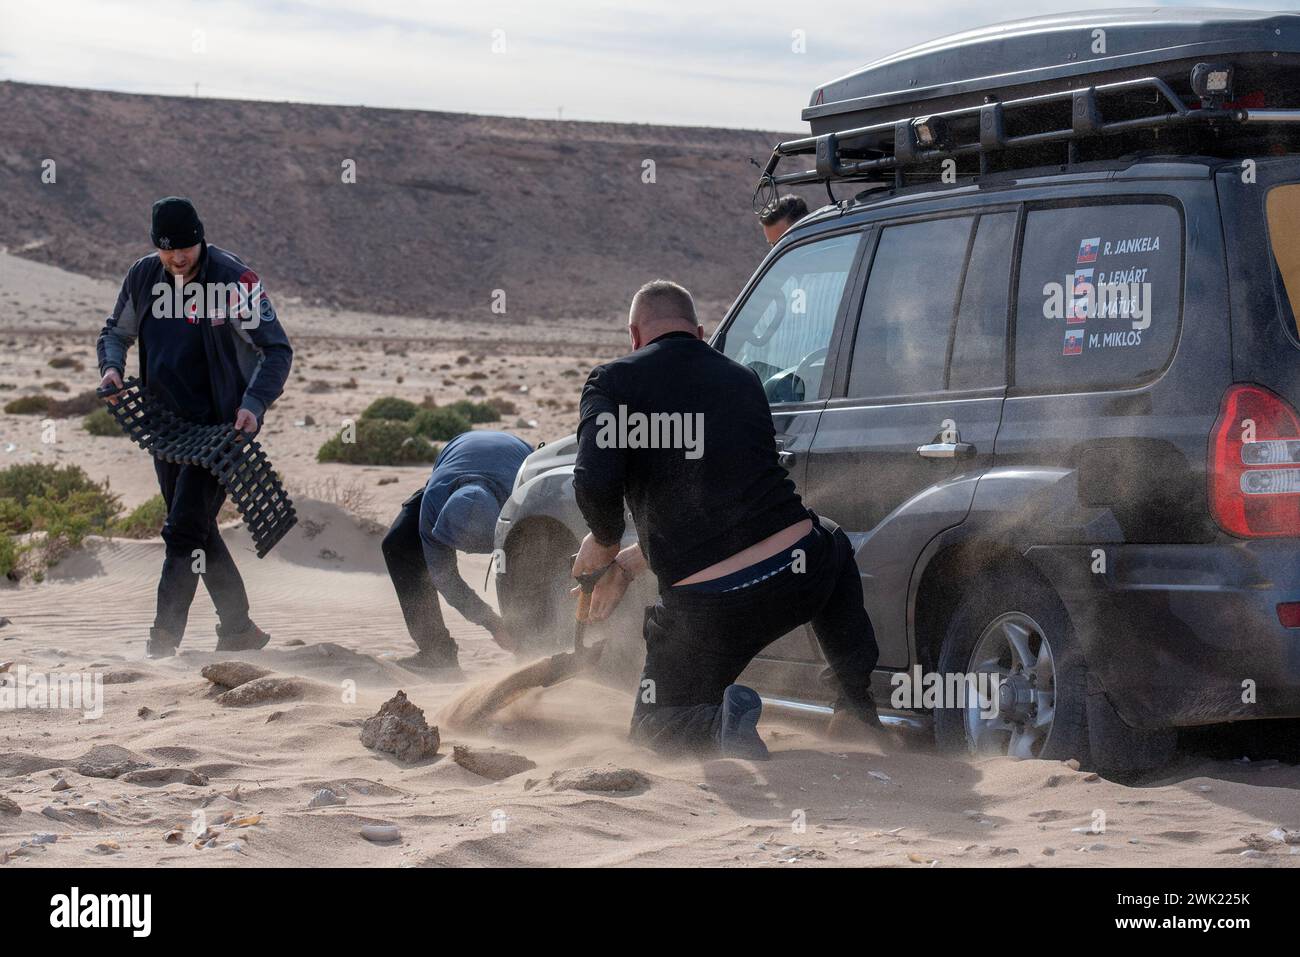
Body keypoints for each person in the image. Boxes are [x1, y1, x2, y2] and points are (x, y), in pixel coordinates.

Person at [570, 279, 882, 759]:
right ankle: (854, 708)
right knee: (835, 543)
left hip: (712, 611)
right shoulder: (742, 378)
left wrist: (605, 539)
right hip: (801, 573)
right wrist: (630, 565)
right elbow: (726, 509)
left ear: (634, 335)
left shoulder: (612, 381)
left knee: (655, 732)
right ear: (699, 332)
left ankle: (718, 722)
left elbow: (594, 477)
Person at [96, 197, 293, 658]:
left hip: (221, 431)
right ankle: (240, 630)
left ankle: (161, 649)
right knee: (198, 529)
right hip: (164, 428)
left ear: (201, 238)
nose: (178, 258)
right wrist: (111, 368)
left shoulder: (234, 279)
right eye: (168, 250)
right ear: (156, 247)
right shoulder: (143, 275)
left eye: (187, 247)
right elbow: (115, 332)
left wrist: (254, 404)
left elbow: (277, 350)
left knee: (182, 530)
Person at [381, 429, 532, 669]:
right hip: (455, 457)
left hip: (518, 459)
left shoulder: (522, 499)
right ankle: (437, 654)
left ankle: (536, 647)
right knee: (398, 545)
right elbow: (445, 579)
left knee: (529, 565)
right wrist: (492, 623)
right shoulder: (434, 504)